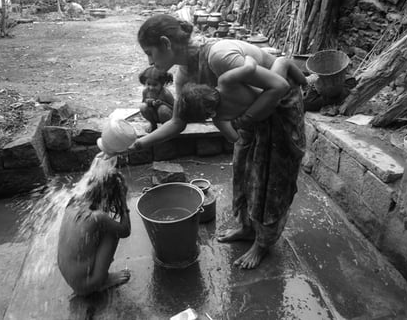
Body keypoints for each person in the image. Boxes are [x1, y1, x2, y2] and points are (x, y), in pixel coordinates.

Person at [129, 14, 306, 269]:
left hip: (278, 105)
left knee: (272, 179)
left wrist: (246, 119)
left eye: (150, 52)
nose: (149, 61)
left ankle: (263, 243)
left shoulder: (219, 57)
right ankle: (246, 227)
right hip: (249, 115)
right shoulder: (183, 76)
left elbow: (277, 87)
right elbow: (178, 122)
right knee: (244, 169)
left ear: (166, 43)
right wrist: (140, 143)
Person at [176, 55, 307, 143]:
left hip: (263, 117)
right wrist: (248, 57)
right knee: (282, 61)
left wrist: (243, 120)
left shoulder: (218, 119)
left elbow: (234, 138)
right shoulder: (225, 82)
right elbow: (250, 68)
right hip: (272, 96)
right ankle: (306, 84)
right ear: (204, 87)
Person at [57, 154, 131, 296]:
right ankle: (102, 281)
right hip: (85, 285)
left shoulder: (74, 200)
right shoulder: (97, 217)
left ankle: (93, 274)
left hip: (71, 278)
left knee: (101, 229)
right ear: (109, 193)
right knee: (113, 232)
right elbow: (125, 231)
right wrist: (123, 201)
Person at [138, 66, 175, 133]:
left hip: (166, 116)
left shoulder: (166, 93)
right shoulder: (145, 92)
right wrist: (148, 102)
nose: (151, 88)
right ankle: (153, 124)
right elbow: (144, 102)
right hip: (154, 115)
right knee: (142, 106)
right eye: (148, 84)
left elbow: (175, 108)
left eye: (155, 85)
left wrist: (162, 103)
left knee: (163, 109)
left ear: (162, 84)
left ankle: (166, 127)